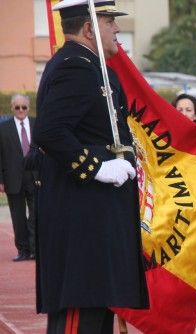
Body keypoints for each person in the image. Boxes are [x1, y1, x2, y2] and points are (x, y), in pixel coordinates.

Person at [33, 1, 149, 332]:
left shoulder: (94, 67)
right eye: (109, 22)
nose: (116, 29)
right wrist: (98, 168)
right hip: (80, 217)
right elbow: (50, 132)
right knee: (80, 314)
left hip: (96, 217)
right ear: (89, 28)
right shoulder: (75, 67)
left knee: (97, 312)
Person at [0, 94, 37, 261]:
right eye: (17, 107)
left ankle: (35, 249)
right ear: (12, 108)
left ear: (28, 108)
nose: (21, 110)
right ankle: (23, 250)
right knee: (18, 216)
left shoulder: (37, 125)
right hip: (12, 178)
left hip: (35, 176)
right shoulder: (3, 128)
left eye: (24, 107)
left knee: (36, 213)